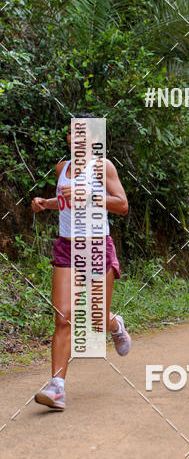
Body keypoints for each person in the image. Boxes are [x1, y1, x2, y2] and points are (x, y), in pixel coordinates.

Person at [30, 115, 131, 411]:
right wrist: (45, 203)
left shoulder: (103, 167)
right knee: (63, 316)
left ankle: (115, 325)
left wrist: (89, 196)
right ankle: (57, 388)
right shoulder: (62, 168)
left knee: (95, 320)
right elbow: (65, 200)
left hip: (97, 246)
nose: (76, 140)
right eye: (72, 135)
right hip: (67, 247)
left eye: (83, 136)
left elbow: (122, 205)